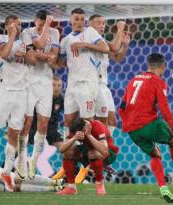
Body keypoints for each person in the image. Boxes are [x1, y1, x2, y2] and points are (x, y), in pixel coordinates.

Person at [118, 53, 173, 203]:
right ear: (163, 66)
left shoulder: (133, 80)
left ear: (148, 65)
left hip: (131, 130)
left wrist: (130, 123)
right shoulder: (158, 82)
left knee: (155, 154)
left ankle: (163, 188)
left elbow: (121, 108)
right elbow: (164, 108)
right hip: (149, 124)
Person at [69, 14, 130, 183]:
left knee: (112, 122)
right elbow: (113, 47)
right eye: (99, 22)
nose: (102, 25)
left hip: (104, 85)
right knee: (100, 124)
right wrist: (119, 29)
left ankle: (100, 156)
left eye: (104, 23)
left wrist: (124, 46)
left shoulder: (99, 41)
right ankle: (93, 158)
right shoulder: (88, 35)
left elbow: (116, 55)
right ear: (90, 24)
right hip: (94, 84)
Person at [51, 8, 109, 182]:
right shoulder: (66, 40)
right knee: (69, 122)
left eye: (82, 19)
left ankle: (87, 166)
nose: (80, 22)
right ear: (70, 20)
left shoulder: (90, 32)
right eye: (76, 19)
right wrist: (50, 59)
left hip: (87, 84)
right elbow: (60, 61)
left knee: (87, 125)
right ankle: (69, 164)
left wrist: (84, 45)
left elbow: (105, 48)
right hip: (72, 85)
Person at [0, 15, 29, 192]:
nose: (18, 28)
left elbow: (33, 59)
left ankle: (7, 173)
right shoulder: (0, 39)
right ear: (7, 26)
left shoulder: (25, 42)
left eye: (20, 25)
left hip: (21, 93)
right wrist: (11, 37)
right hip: (3, 91)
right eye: (15, 24)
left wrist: (28, 55)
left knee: (14, 134)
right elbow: (4, 53)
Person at [17, 10, 60, 180]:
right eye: (40, 23)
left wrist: (43, 55)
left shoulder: (55, 33)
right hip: (28, 81)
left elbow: (53, 58)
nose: (43, 27)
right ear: (35, 21)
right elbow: (32, 56)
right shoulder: (27, 32)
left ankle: (33, 161)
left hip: (45, 82)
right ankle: (21, 160)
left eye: (45, 23)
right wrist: (44, 54)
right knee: (27, 123)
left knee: (43, 123)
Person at [55, 118, 118, 195]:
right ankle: (71, 187)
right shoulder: (76, 127)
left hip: (109, 154)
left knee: (92, 153)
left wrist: (89, 135)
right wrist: (74, 138)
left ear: (85, 128)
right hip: (88, 151)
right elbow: (62, 149)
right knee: (68, 152)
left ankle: (100, 184)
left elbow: (105, 151)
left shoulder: (97, 126)